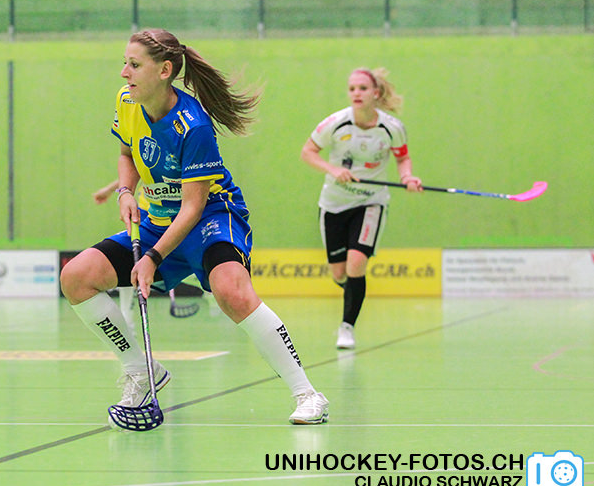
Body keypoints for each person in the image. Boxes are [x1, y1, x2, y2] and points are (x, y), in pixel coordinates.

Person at [62, 28, 328, 424]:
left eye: (134, 65)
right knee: (76, 277)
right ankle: (142, 371)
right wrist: (125, 192)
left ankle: (308, 394)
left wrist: (152, 258)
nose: (124, 72)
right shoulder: (127, 101)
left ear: (164, 70)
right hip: (158, 220)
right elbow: (126, 153)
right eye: (124, 63)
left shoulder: (193, 126)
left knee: (232, 293)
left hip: (210, 218)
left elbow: (193, 207)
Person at [300, 67, 422, 350]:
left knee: (357, 263)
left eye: (363, 88)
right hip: (334, 203)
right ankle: (353, 294)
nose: (356, 93)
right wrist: (333, 170)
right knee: (340, 273)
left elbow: (403, 158)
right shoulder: (336, 123)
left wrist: (407, 177)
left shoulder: (392, 128)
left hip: (371, 202)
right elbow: (307, 152)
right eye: (352, 88)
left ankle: (347, 328)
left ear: (376, 93)